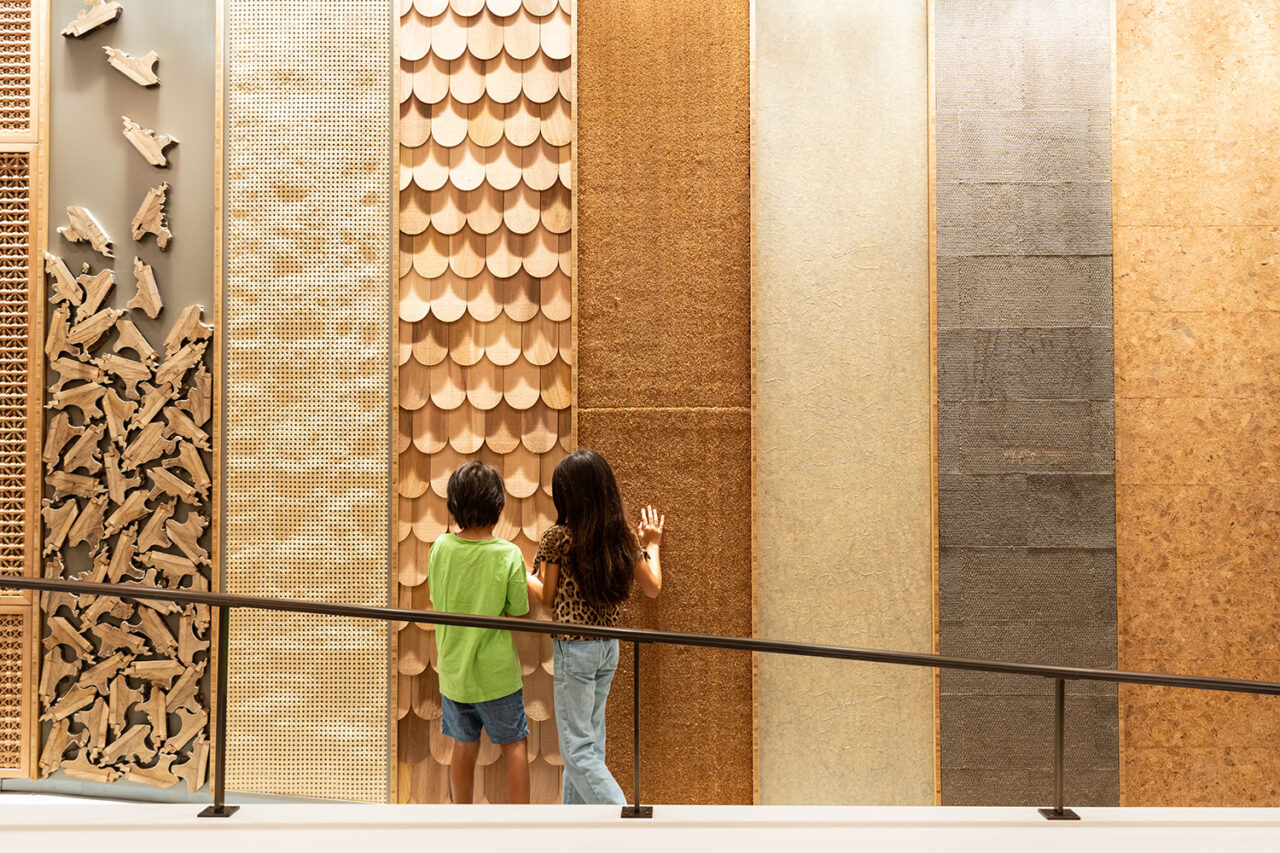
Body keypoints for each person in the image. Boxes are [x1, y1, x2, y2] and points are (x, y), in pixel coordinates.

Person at [528, 448, 664, 805]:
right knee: (590, 744)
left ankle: (627, 824)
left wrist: (520, 572)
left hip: (575, 648)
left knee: (577, 751)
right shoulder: (620, 535)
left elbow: (546, 598)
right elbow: (652, 587)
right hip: (608, 649)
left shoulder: (558, 537)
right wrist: (652, 544)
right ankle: (575, 827)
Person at [428, 460, 531, 804]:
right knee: (514, 743)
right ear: (499, 506)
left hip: (455, 671)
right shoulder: (509, 554)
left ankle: (462, 820)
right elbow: (519, 609)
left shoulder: (440, 547)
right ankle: (521, 825)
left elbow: (436, 596)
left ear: (453, 505)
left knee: (463, 745)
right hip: (497, 674)